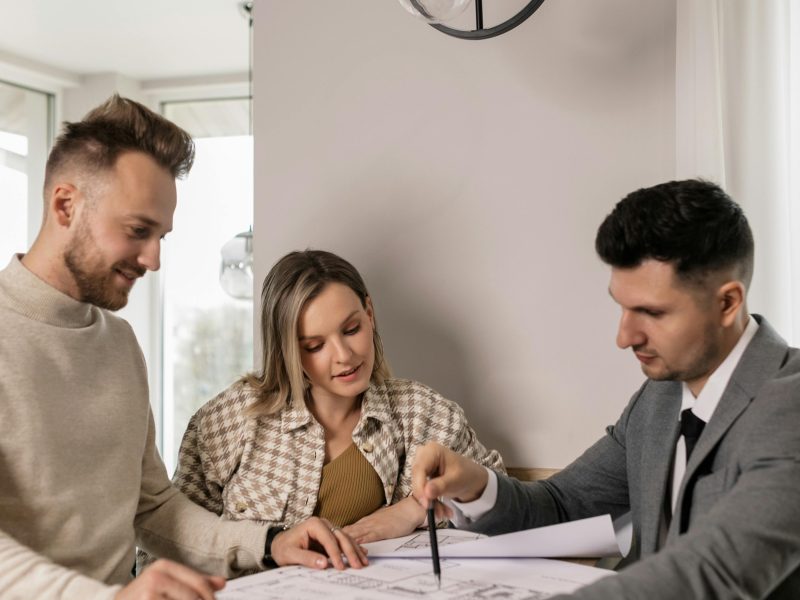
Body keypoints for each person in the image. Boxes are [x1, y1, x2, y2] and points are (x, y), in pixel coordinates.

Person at [0, 96, 365, 600]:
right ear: (65, 205)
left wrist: (269, 542)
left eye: (161, 237)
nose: (152, 259)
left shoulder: (118, 344)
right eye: (137, 231)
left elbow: (153, 507)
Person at [412, 179, 800, 599]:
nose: (625, 336)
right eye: (622, 306)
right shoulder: (661, 397)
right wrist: (476, 486)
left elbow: (714, 573)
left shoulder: (790, 403)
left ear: (727, 304)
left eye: (651, 312)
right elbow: (563, 504)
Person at [141, 249, 504, 567]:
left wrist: (410, 510)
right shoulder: (228, 421)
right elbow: (164, 544)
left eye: (351, 329)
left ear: (370, 312)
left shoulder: (422, 412)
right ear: (287, 351)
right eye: (315, 346)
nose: (344, 357)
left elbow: (502, 501)